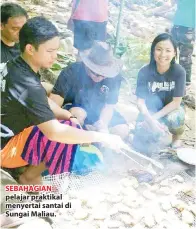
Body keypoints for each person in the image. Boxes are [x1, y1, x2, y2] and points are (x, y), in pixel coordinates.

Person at [1, 17, 129, 185]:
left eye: (56, 50)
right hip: (5, 149)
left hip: (7, 135)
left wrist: (67, 114)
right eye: (50, 51)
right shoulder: (29, 85)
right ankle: (29, 177)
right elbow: (54, 132)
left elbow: (44, 100)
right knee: (65, 129)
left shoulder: (17, 66)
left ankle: (27, 168)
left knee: (68, 121)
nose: (55, 56)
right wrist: (103, 138)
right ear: (30, 49)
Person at [50, 41, 129, 139]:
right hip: (74, 109)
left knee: (122, 130)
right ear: (87, 64)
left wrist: (103, 125)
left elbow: (109, 106)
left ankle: (96, 140)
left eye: (104, 74)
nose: (100, 77)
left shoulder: (114, 77)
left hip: (99, 111)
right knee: (79, 114)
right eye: (96, 73)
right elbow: (54, 103)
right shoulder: (72, 71)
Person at [133, 33, 186, 155]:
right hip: (150, 110)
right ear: (153, 51)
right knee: (140, 145)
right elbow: (140, 102)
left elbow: (176, 102)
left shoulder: (179, 72)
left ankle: (176, 139)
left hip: (171, 109)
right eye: (159, 49)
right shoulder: (144, 72)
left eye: (168, 50)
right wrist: (149, 118)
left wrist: (154, 118)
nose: (163, 55)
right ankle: (155, 135)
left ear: (174, 53)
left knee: (176, 117)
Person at [170, 0, 195, 86]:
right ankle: (180, 81)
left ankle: (184, 83)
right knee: (171, 53)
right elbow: (172, 3)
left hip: (187, 28)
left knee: (183, 57)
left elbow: (171, 4)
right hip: (179, 27)